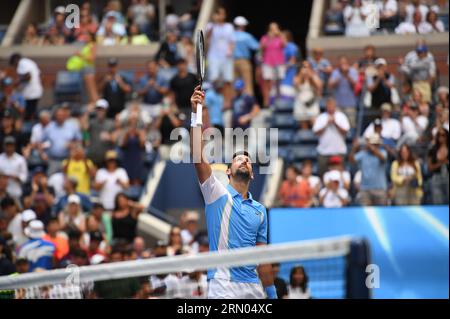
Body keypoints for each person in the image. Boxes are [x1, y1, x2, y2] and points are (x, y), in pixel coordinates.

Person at [190, 86, 277, 299]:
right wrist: (196, 113)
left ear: (253, 175)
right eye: (239, 159)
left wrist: (272, 294)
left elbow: (262, 257)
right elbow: (197, 157)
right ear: (228, 172)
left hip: (253, 287)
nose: (245, 160)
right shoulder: (216, 193)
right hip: (223, 284)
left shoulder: (260, 211)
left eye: (248, 160)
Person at [313, 98, 350, 177]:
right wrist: (326, 124)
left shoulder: (341, 116)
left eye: (332, 105)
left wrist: (335, 123)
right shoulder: (321, 117)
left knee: (339, 176)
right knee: (323, 175)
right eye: (328, 105)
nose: (330, 107)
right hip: (324, 152)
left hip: (338, 151)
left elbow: (346, 131)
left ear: (335, 106)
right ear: (326, 106)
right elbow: (315, 132)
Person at [206, 7, 235, 106]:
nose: (220, 16)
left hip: (226, 57)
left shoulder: (229, 26)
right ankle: (217, 102)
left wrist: (230, 51)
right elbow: (207, 37)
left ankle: (227, 102)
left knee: (228, 80)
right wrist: (214, 23)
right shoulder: (210, 26)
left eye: (222, 14)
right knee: (214, 80)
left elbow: (232, 41)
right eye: (218, 14)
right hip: (214, 56)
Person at [349, 134, 388, 206]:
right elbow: (352, 161)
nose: (373, 146)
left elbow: (383, 158)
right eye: (372, 144)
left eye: (375, 144)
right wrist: (354, 148)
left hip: (380, 189)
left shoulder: (383, 152)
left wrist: (372, 148)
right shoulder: (363, 153)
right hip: (365, 189)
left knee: (382, 211)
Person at [43, 106, 82, 175]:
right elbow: (40, 142)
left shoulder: (72, 126)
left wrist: (73, 145)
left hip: (68, 159)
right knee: (51, 180)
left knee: (68, 181)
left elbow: (79, 141)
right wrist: (43, 154)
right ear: (55, 116)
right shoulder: (49, 127)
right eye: (58, 115)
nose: (60, 117)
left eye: (62, 115)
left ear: (65, 116)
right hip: (53, 160)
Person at [8, 53, 43, 120]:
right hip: (34, 91)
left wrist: (17, 82)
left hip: (31, 93)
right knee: (31, 112)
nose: (14, 67)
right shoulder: (29, 62)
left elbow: (28, 76)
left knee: (28, 113)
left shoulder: (22, 63)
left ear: (15, 61)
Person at [260, 22, 286, 108]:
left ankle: (279, 99)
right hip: (267, 62)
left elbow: (284, 44)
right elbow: (262, 47)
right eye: (272, 28)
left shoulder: (280, 37)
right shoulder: (265, 38)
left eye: (275, 28)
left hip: (279, 62)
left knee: (278, 82)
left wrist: (280, 35)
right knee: (267, 83)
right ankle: (267, 101)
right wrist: (270, 38)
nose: (274, 30)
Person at [84, 99, 116, 167]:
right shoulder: (91, 122)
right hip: (92, 156)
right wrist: (86, 140)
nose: (100, 111)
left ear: (106, 110)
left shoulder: (111, 123)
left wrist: (109, 137)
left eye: (102, 109)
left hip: (105, 159)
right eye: (98, 109)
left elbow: (115, 139)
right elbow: (84, 130)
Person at [328, 56, 359, 127]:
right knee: (339, 124)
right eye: (341, 63)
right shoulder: (335, 72)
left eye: (344, 63)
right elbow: (330, 85)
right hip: (338, 104)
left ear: (348, 63)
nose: (343, 65)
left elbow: (355, 86)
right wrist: (341, 75)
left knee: (351, 124)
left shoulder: (353, 71)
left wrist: (347, 74)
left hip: (350, 104)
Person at [233, 16, 259, 96]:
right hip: (244, 61)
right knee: (247, 83)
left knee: (233, 84)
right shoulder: (246, 36)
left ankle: (234, 103)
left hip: (231, 62)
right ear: (242, 26)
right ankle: (249, 103)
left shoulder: (230, 35)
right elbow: (256, 47)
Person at [118, 114, 146, 186]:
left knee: (136, 180)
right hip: (127, 158)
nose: (133, 125)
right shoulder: (124, 132)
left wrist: (139, 135)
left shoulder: (140, 132)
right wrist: (127, 135)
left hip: (137, 159)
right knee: (127, 179)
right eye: (131, 123)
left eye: (135, 123)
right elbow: (121, 145)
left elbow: (142, 145)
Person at [293, 61, 322, 129]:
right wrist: (301, 74)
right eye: (304, 67)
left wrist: (311, 76)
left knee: (316, 126)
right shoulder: (297, 76)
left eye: (307, 67)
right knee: (304, 129)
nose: (305, 69)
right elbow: (296, 85)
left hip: (312, 104)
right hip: (300, 105)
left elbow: (319, 87)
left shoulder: (314, 76)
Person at [427, 128, 449, 204]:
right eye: (439, 135)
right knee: (438, 202)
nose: (441, 137)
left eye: (443, 135)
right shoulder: (433, 149)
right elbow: (429, 167)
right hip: (436, 178)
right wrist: (441, 163)